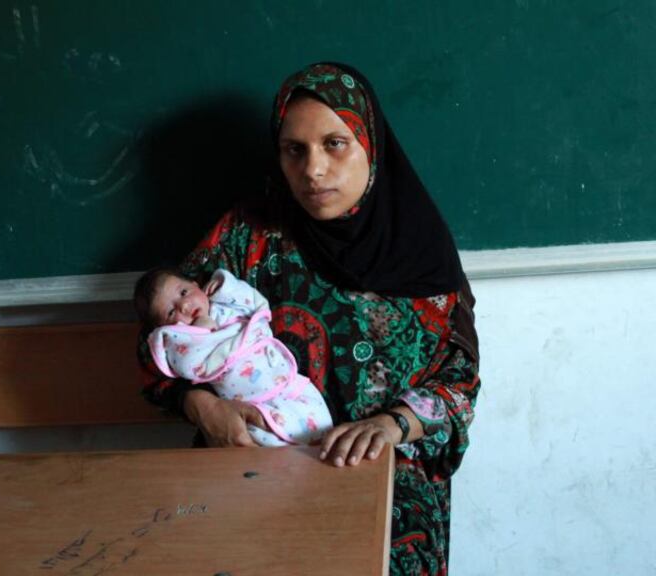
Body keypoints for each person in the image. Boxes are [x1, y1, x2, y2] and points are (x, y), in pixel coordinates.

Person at [138, 62, 480, 575]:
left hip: (382, 473)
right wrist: (201, 407)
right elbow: (158, 339)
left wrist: (391, 425)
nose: (313, 170)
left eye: (335, 144)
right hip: (253, 464)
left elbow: (459, 388)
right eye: (294, 150)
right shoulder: (247, 236)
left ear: (370, 145)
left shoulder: (420, 248)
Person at [134, 266, 334, 447]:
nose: (184, 306)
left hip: (289, 385)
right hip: (250, 407)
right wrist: (199, 335)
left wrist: (224, 287)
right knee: (264, 442)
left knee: (321, 427)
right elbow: (185, 365)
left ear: (197, 285)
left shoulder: (225, 304)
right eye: (171, 312)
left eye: (184, 292)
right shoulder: (180, 341)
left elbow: (252, 300)